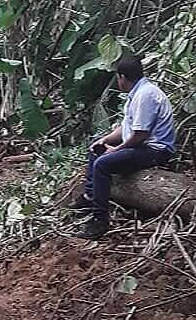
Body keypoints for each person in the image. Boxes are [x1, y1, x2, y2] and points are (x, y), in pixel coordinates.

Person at [74, 55, 178, 239]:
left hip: (155, 150)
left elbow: (140, 134)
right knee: (96, 150)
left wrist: (117, 149)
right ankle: (91, 197)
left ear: (122, 77)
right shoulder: (137, 94)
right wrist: (104, 140)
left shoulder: (145, 95)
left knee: (102, 165)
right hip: (142, 145)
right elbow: (127, 128)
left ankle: (100, 220)